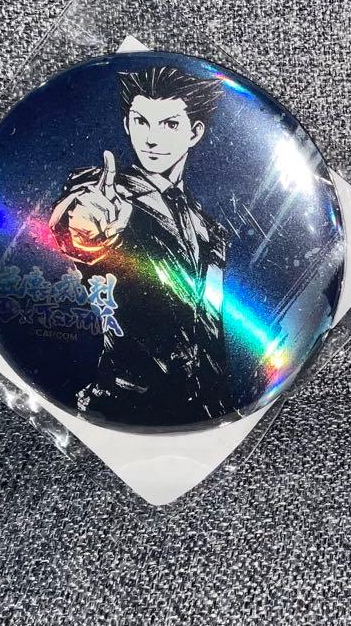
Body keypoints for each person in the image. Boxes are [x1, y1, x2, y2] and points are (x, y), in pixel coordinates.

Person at [48, 65, 229, 427]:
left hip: (197, 406)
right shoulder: (108, 189)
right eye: (141, 122)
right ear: (127, 125)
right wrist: (86, 229)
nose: (151, 139)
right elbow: (76, 221)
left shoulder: (209, 228)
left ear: (194, 133)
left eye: (169, 124)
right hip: (122, 401)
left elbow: (211, 321)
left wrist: (220, 406)